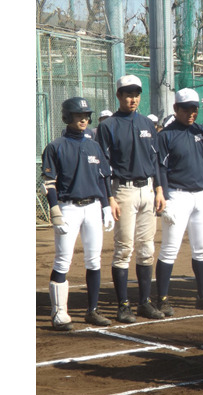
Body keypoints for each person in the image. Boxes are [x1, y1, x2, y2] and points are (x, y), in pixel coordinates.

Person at [153, 88, 203, 315]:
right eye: (186, 108)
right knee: (170, 248)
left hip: (200, 196)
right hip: (177, 195)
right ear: (176, 108)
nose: (191, 113)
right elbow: (161, 168)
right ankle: (163, 299)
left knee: (202, 249)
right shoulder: (166, 135)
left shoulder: (202, 130)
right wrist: (163, 196)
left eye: (194, 109)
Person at [96, 74, 167, 323]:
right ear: (118, 96)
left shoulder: (147, 123)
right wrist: (109, 198)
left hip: (147, 190)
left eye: (136, 93)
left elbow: (155, 160)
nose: (132, 98)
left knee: (147, 249)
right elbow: (102, 166)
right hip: (122, 191)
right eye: (127, 93)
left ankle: (144, 303)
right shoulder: (108, 126)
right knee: (124, 248)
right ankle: (123, 305)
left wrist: (159, 189)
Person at [42, 97, 115, 330]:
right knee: (63, 260)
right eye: (78, 115)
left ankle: (92, 310)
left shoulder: (94, 145)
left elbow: (103, 179)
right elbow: (49, 183)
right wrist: (55, 211)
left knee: (94, 260)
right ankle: (59, 312)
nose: (83, 119)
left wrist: (106, 206)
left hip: (93, 207)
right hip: (68, 208)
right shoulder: (56, 146)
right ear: (67, 117)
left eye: (86, 115)